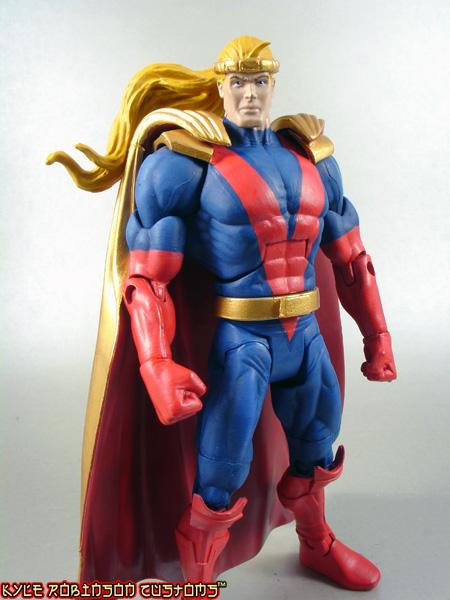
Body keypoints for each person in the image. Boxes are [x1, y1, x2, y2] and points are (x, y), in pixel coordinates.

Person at [47, 35, 396, 592]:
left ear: (273, 85)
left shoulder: (313, 158)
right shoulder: (184, 165)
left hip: (304, 335)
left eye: (259, 81)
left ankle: (316, 542)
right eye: (237, 82)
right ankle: (198, 581)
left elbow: (352, 258)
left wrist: (377, 336)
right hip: (243, 341)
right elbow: (149, 279)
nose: (249, 93)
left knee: (317, 447)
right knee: (220, 474)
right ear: (220, 86)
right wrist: (156, 363)